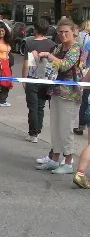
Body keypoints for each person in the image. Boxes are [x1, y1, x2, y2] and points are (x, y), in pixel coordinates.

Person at [34, 18, 83, 175]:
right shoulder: (59, 47)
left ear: (73, 32)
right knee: (55, 126)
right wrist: (39, 57)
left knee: (66, 128)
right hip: (55, 91)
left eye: (66, 32)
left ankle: (68, 162)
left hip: (70, 94)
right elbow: (51, 64)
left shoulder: (76, 48)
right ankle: (54, 159)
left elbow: (65, 65)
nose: (62, 35)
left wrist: (49, 56)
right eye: (60, 32)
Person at [22, 19, 57, 143]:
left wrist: (24, 80)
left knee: (32, 107)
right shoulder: (52, 44)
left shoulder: (30, 43)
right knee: (40, 107)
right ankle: (38, 131)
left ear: (35, 29)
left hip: (32, 77)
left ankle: (33, 133)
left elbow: (27, 64)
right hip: (46, 79)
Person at [74, 20, 90, 135]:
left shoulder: (89, 44)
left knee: (85, 100)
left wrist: (80, 70)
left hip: (88, 73)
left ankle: (81, 127)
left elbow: (83, 59)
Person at [0, 22, 13, 107]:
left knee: (7, 82)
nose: (1, 32)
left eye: (2, 31)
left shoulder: (7, 40)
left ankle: (2, 100)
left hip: (6, 63)